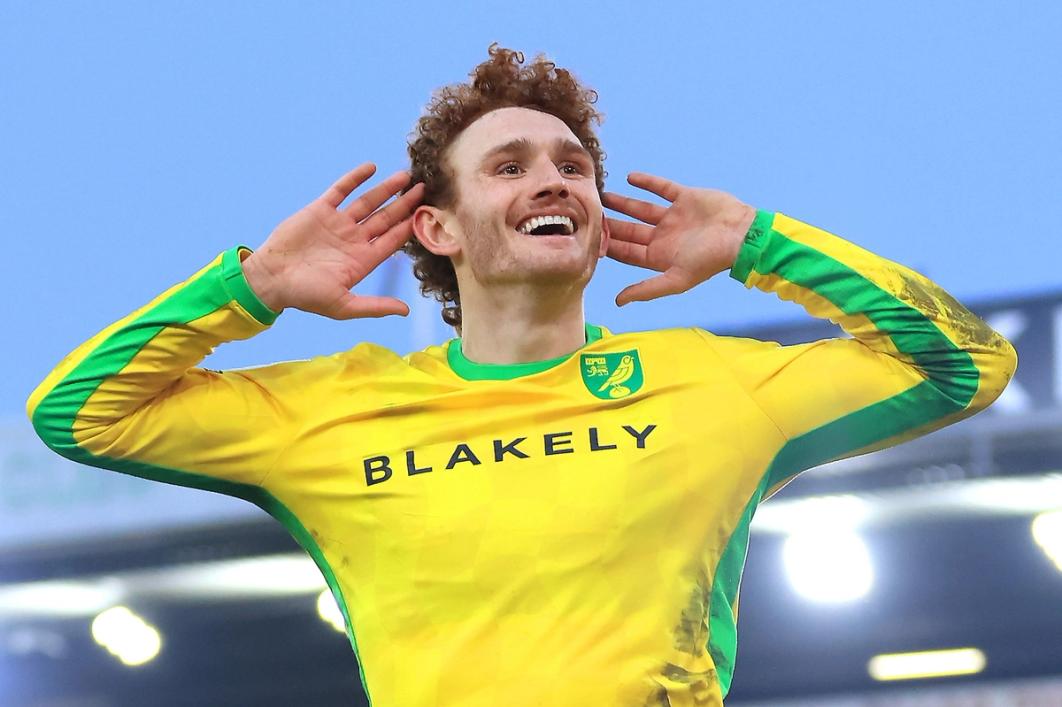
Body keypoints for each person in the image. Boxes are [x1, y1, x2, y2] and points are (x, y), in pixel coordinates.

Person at [27, 45, 1016, 706]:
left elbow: (966, 359)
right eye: (508, 165)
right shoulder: (332, 410)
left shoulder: (712, 385)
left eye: (572, 164)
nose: (555, 179)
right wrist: (251, 286)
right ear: (437, 228)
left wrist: (762, 243)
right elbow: (76, 412)